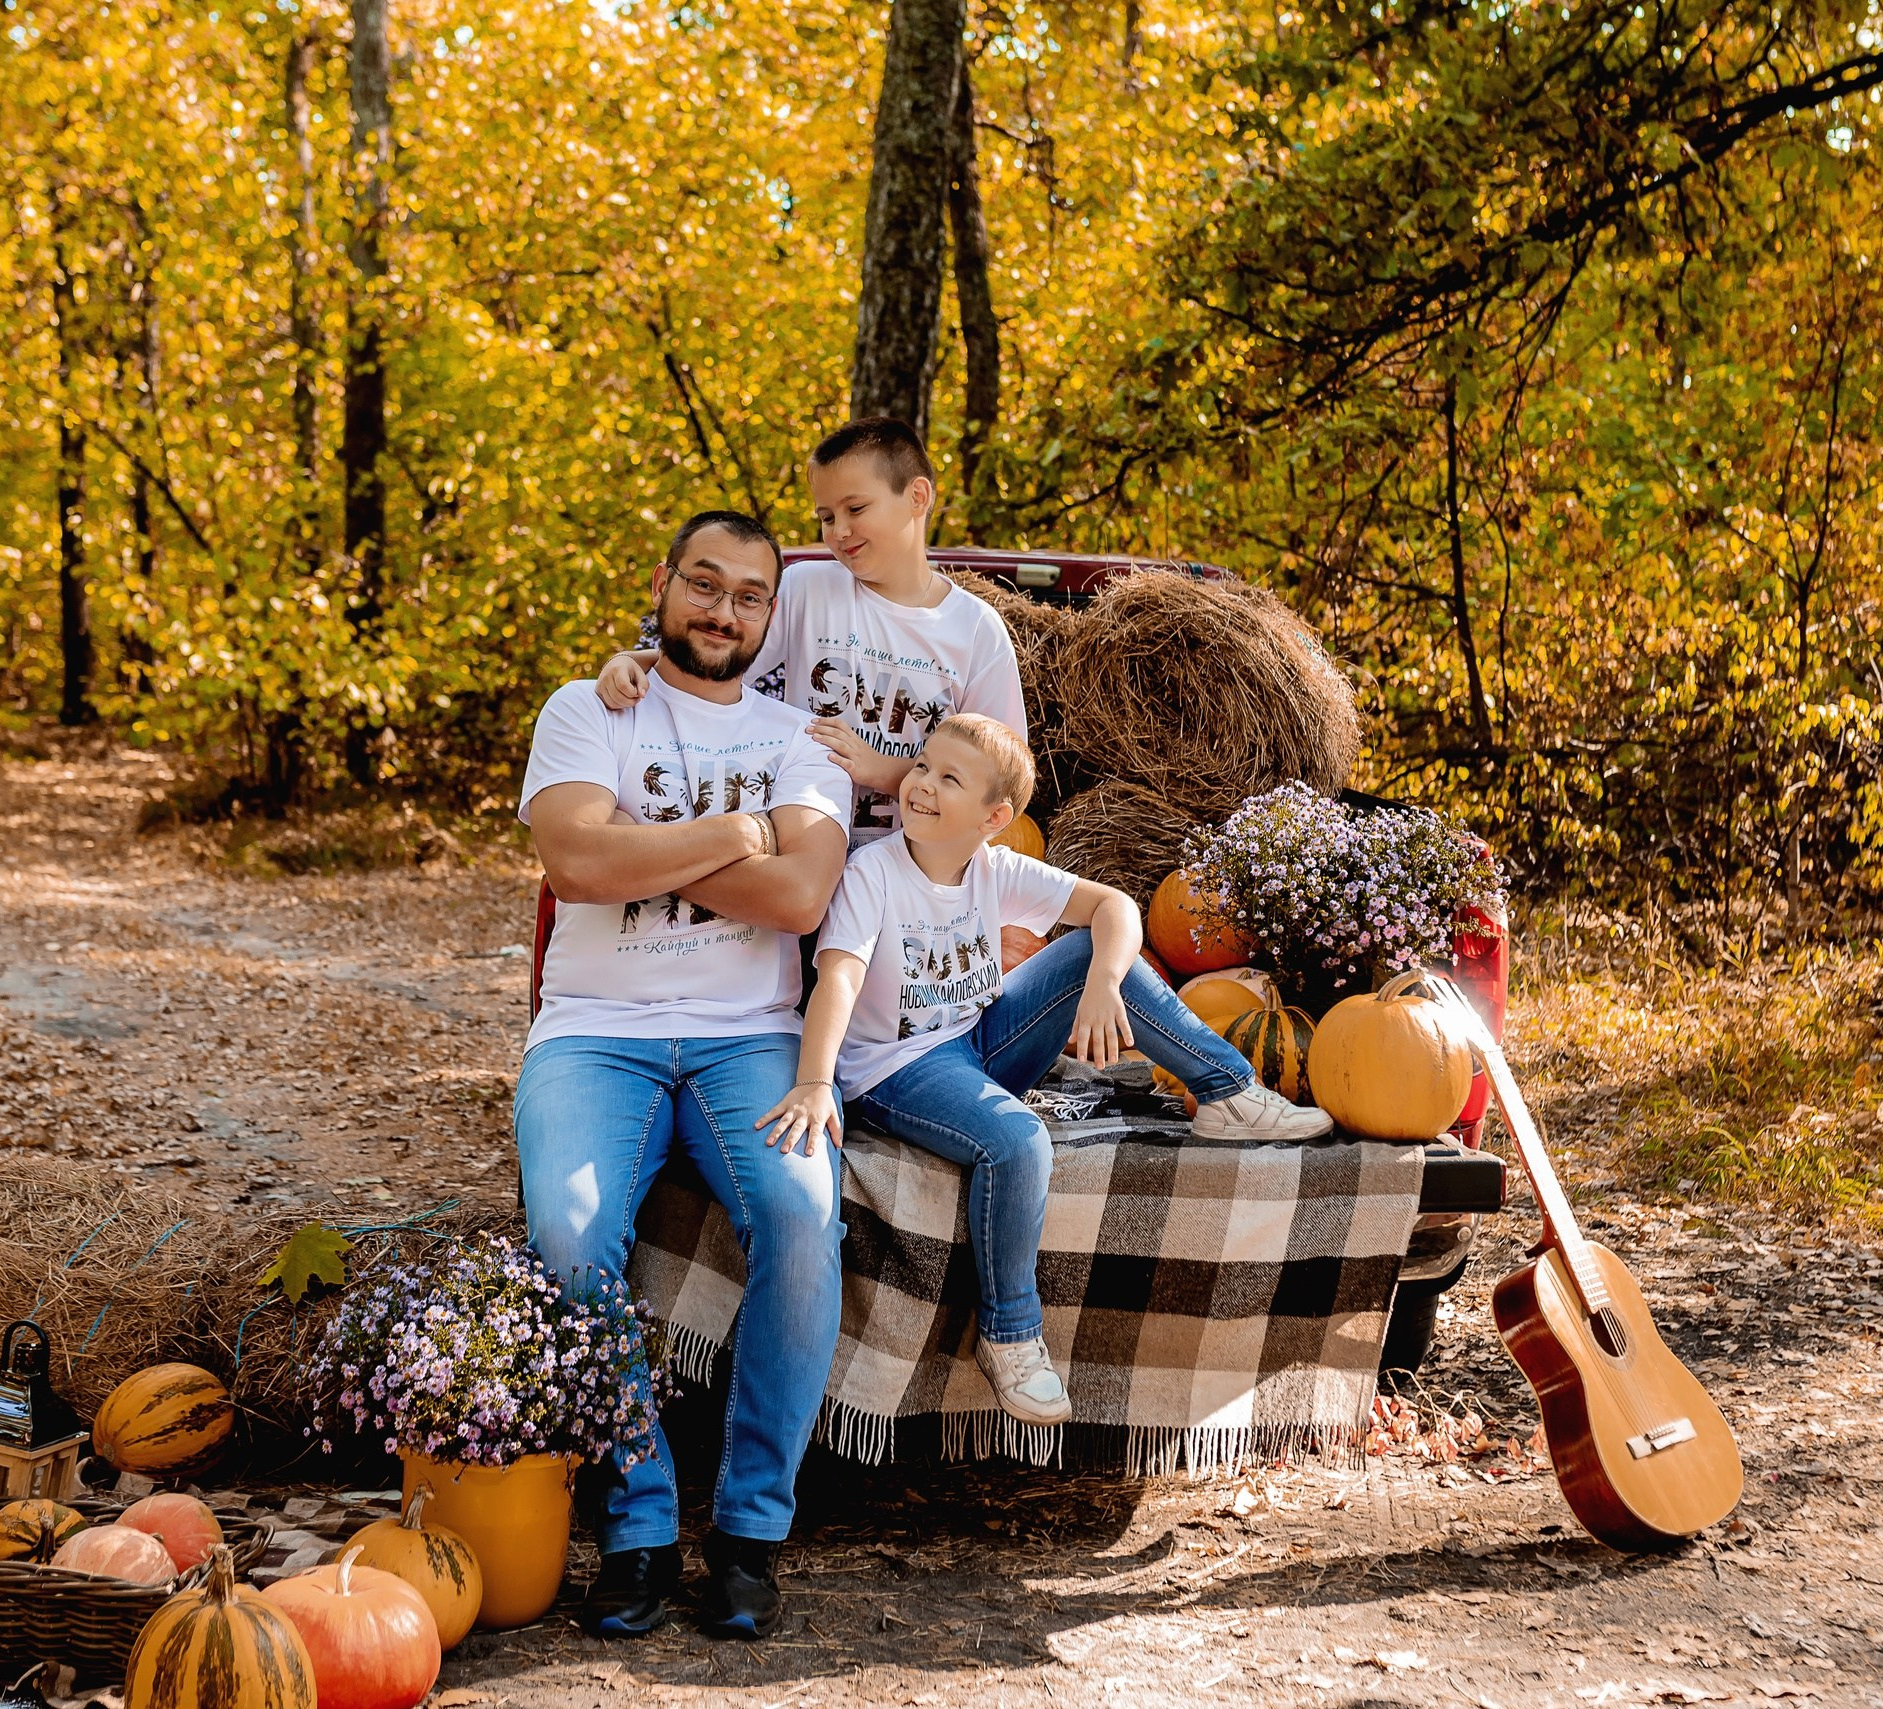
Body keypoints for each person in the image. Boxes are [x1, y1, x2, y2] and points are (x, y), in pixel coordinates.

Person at [758, 716, 1335, 1425]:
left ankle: (1227, 1092)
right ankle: (1009, 1337)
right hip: (895, 1070)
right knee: (1019, 1139)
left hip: (976, 1041)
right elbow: (839, 981)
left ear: (994, 818)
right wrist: (816, 1079)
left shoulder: (995, 868)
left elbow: (1116, 907)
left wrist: (1102, 979)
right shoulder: (873, 875)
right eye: (921, 767)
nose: (922, 785)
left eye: (949, 778)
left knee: (1096, 954)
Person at [515, 508, 854, 1641]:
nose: (721, 608)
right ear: (662, 585)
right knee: (569, 1236)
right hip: (591, 1033)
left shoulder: (801, 741)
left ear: (770, 613)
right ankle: (641, 1519)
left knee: (805, 1218)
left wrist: (643, 848)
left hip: (749, 1037)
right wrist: (740, 833)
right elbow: (573, 858)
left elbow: (803, 901)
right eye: (702, 583)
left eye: (747, 593)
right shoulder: (586, 707)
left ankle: (752, 1529)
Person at [597, 418, 1027, 843]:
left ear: (917, 496)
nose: (839, 531)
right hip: (801, 848)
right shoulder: (808, 588)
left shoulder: (975, 632)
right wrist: (629, 662)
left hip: (908, 875)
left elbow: (1000, 782)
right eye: (826, 516)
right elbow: (715, 663)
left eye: (856, 509)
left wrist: (884, 770)